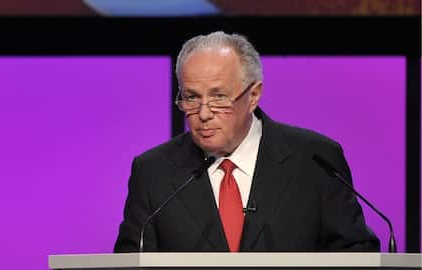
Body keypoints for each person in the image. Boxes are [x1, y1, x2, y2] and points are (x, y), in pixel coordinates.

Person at [113, 31, 380, 252]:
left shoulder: (315, 161)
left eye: (219, 97)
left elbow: (356, 253)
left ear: (253, 95)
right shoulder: (153, 172)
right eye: (192, 97)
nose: (204, 114)